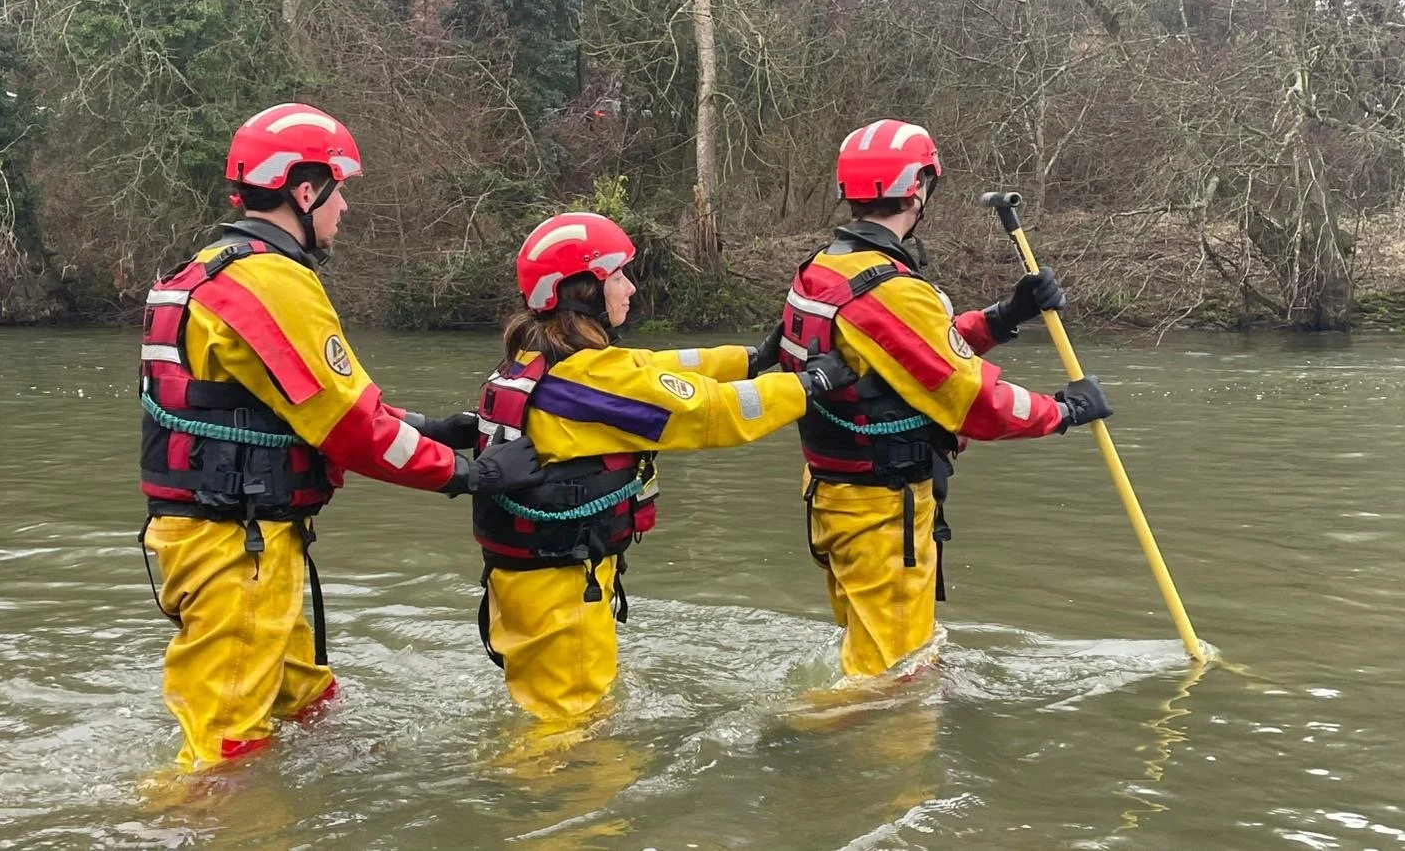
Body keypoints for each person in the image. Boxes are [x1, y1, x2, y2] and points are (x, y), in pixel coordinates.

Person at [136, 102, 547, 772]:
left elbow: (298, 408)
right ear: (305, 190)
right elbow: (352, 430)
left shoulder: (209, 270)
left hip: (239, 538)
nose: (344, 209)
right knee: (224, 751)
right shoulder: (269, 281)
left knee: (307, 699)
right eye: (339, 189)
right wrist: (469, 474)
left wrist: (430, 427)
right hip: (237, 550)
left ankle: (339, 788)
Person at [471, 210, 858, 721]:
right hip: (559, 588)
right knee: (568, 732)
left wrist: (750, 358)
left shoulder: (540, 359)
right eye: (618, 277)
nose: (630, 289)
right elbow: (710, 414)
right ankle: (559, 796)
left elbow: (654, 368)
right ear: (582, 290)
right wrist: (810, 386)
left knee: (554, 713)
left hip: (533, 581)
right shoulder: (595, 379)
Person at [768, 117, 1113, 680]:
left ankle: (830, 743)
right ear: (919, 187)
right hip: (882, 513)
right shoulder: (892, 290)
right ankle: (797, 743)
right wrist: (1065, 411)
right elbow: (977, 403)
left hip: (835, 499)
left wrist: (1005, 317)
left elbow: (907, 354)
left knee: (872, 662)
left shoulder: (823, 269)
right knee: (895, 684)